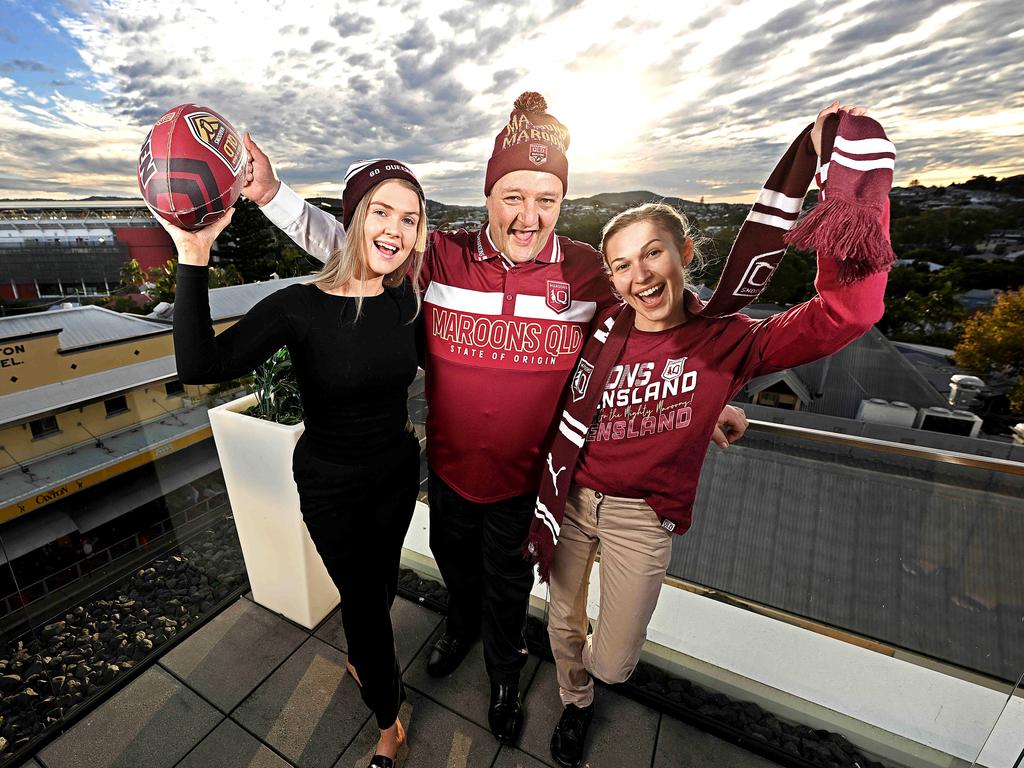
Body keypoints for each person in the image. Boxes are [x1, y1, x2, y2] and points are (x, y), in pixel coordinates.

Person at [241, 92, 747, 745]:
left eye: (547, 200)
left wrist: (707, 397)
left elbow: (663, 320)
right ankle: (458, 623)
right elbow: (353, 245)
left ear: (562, 204)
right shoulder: (442, 258)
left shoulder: (587, 272)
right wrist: (272, 192)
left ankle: (504, 679)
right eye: (514, 196)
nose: (529, 216)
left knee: (509, 593)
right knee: (458, 570)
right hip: (447, 473)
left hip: (524, 485)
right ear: (488, 196)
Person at [527, 103, 895, 768]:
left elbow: (850, 310)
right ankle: (573, 703)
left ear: (684, 252)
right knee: (560, 620)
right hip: (569, 498)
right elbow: (546, 385)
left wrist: (848, 188)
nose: (637, 277)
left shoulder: (726, 338)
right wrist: (715, 406)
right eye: (619, 265)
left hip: (642, 515)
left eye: (652, 255)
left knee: (613, 660)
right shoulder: (597, 327)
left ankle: (594, 684)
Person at [167, 159, 428, 768]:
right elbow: (200, 367)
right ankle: (390, 723)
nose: (393, 230)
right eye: (381, 212)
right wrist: (194, 251)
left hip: (395, 474)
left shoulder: (406, 299)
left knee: (382, 587)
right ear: (355, 218)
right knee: (365, 605)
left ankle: (366, 659)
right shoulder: (297, 307)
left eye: (409, 219)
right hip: (331, 487)